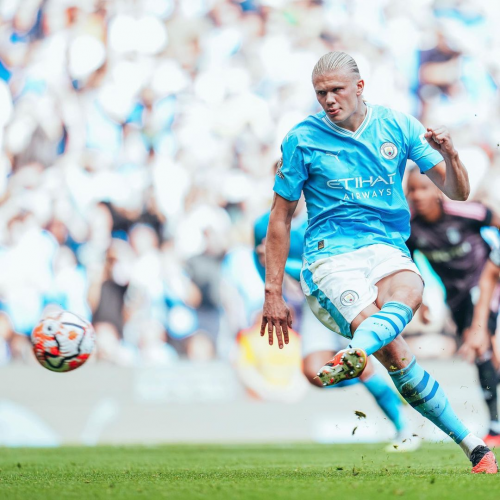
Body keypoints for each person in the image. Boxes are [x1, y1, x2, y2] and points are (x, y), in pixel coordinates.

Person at [261, 51, 498, 473]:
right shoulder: (301, 139)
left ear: (359, 87)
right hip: (330, 258)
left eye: (336, 90)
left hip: (386, 248)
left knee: (411, 290)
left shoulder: (398, 126)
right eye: (321, 93)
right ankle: (471, 442)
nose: (329, 100)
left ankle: (357, 353)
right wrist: (272, 291)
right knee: (394, 350)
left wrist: (452, 155)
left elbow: (457, 194)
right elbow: (279, 219)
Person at [254, 183, 416, 451]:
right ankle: (376, 379)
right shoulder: (265, 224)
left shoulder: (323, 214)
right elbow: (263, 262)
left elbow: (320, 266)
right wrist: (275, 295)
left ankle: (403, 428)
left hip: (348, 296)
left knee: (377, 359)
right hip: (314, 301)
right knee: (314, 374)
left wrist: (286, 267)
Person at [406, 167, 500, 446]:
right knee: (484, 357)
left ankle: (495, 428)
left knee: (481, 347)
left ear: (437, 190)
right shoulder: (411, 228)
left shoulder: (466, 213)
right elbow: (407, 263)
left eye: (423, 188)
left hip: (486, 287)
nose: (417, 195)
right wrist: (418, 300)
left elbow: (495, 220)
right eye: (412, 190)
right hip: (455, 298)